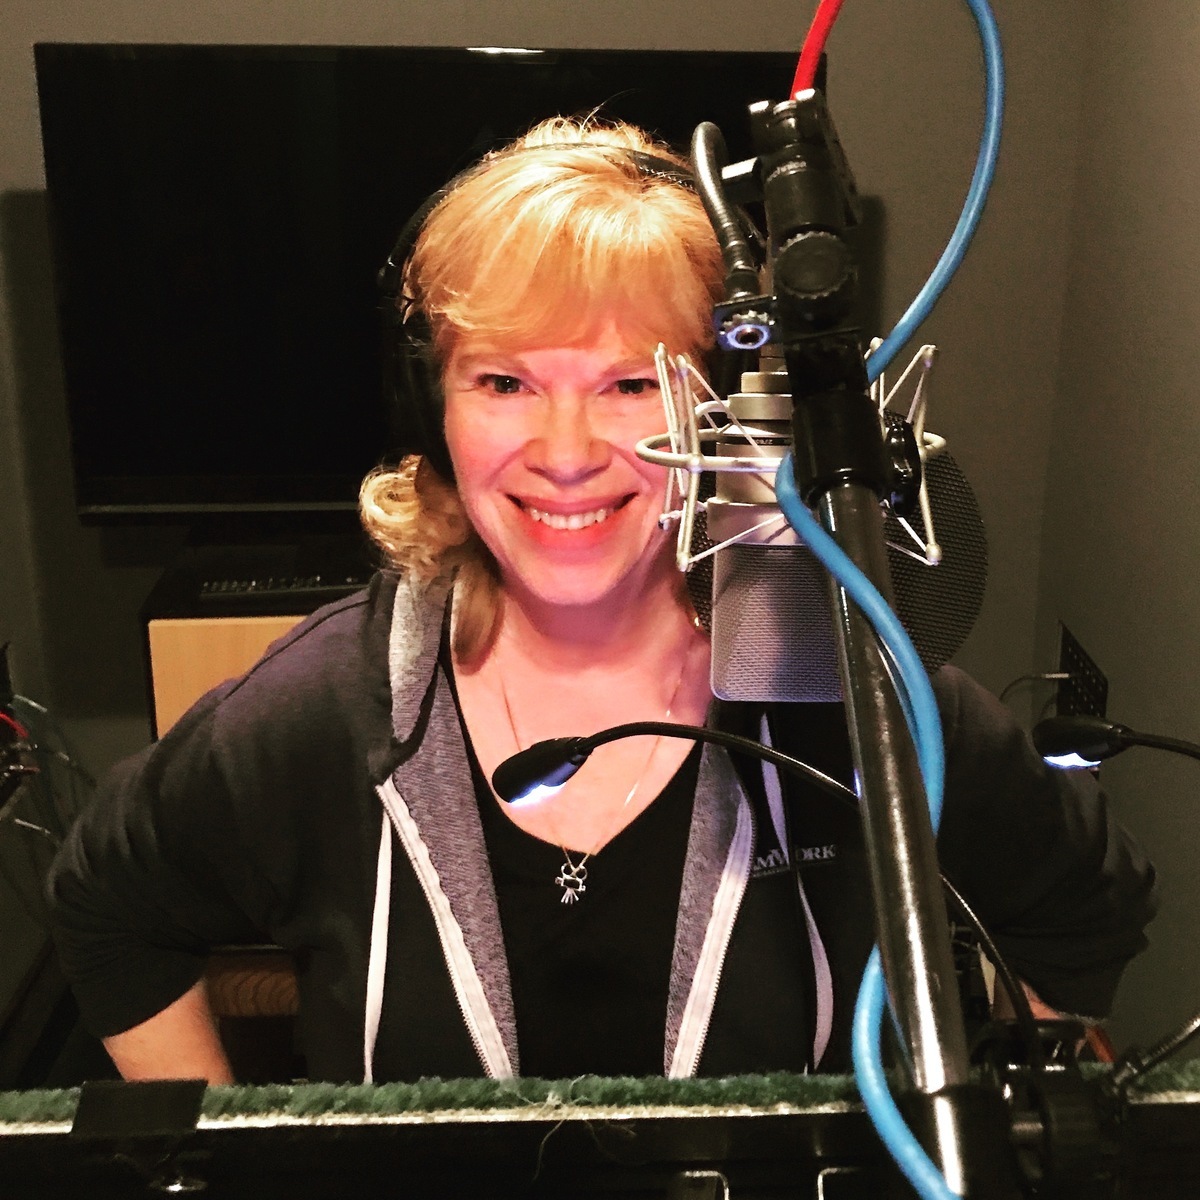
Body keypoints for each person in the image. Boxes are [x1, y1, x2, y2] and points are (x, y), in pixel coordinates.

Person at [48, 117, 1156, 1085]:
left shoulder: (842, 685)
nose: (566, 452)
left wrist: (1004, 1108)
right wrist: (225, 1156)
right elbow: (108, 907)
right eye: (504, 381)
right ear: (431, 407)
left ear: (724, 410)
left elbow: (1084, 903)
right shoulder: (324, 709)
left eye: (631, 382)